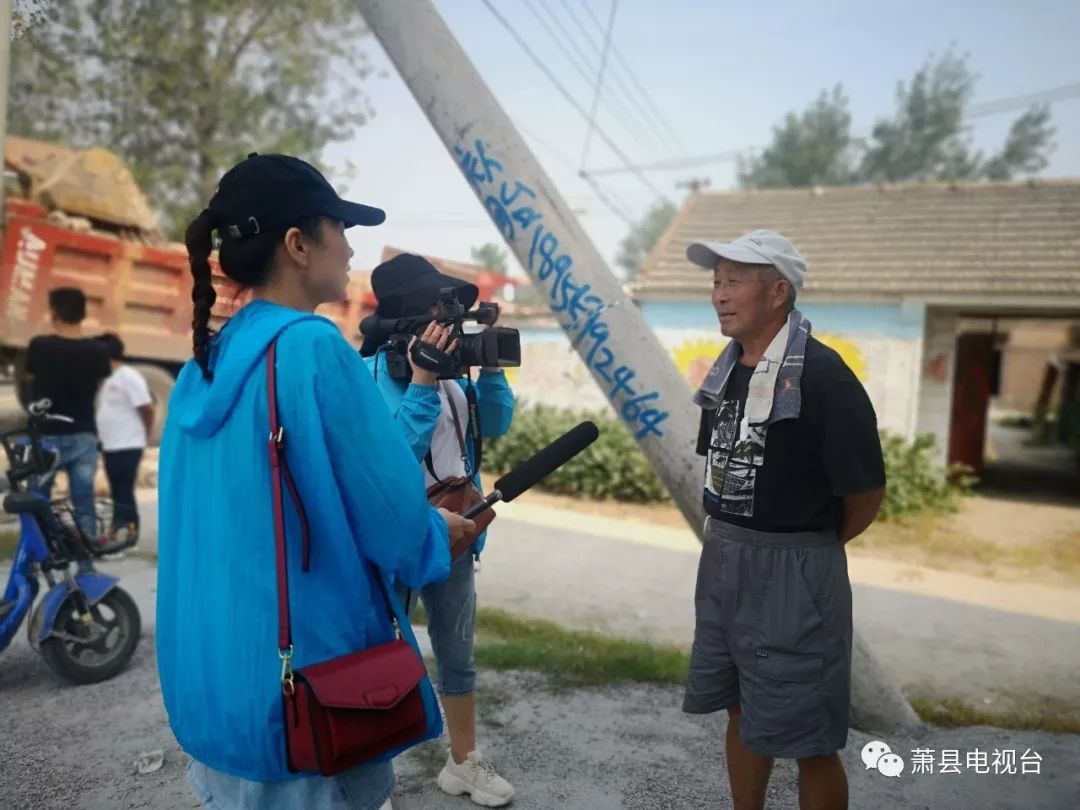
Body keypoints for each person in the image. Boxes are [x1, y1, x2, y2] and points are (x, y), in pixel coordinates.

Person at [156, 153, 474, 810]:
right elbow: (392, 517)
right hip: (308, 696)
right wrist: (437, 537)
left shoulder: (206, 362)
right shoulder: (311, 347)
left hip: (216, 691)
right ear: (298, 244)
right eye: (339, 226)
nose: (351, 245)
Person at [681, 229, 886, 810]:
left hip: (797, 567)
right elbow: (721, 466)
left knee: (810, 737)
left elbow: (865, 491)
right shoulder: (726, 374)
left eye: (734, 280)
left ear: (778, 292)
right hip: (725, 558)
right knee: (742, 706)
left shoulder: (823, 376)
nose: (719, 294)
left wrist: (807, 545)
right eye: (716, 281)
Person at [361, 252, 516, 808]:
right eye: (437, 306)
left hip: (457, 531)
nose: (448, 318)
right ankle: (371, 776)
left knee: (457, 653)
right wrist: (422, 381)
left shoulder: (454, 377)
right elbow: (392, 463)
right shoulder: (370, 377)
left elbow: (493, 427)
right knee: (381, 652)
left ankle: (463, 763)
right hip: (397, 535)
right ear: (407, 313)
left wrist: (491, 366)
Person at [23, 287, 111, 555]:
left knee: (36, 501)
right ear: (82, 313)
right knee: (83, 502)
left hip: (45, 438)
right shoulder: (98, 350)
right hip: (83, 433)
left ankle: (36, 558)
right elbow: (98, 389)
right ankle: (85, 561)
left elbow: (28, 384)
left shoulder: (39, 346)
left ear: (55, 312)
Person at [94, 333, 154, 546]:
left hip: (129, 443)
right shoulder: (105, 378)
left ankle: (130, 532)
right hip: (110, 444)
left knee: (124, 489)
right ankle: (116, 529)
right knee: (116, 489)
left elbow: (146, 407)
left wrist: (146, 434)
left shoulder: (129, 375)